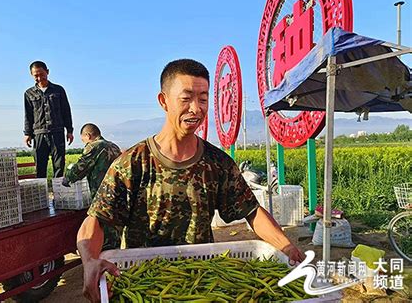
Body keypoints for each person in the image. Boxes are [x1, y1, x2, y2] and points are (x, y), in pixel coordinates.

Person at [76, 59, 305, 302]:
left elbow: (252, 211)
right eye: (186, 98)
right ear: (163, 101)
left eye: (203, 99)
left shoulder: (217, 163)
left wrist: (287, 248)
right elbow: (97, 219)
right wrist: (89, 260)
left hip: (202, 279)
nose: (196, 108)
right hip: (144, 281)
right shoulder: (133, 162)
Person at [62, 123, 122, 251]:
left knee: (104, 233)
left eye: (84, 140)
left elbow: (81, 167)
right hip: (118, 194)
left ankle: (105, 259)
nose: (84, 144)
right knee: (115, 232)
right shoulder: (114, 146)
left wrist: (68, 178)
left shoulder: (95, 146)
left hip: (103, 196)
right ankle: (115, 257)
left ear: (88, 135)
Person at [23, 61, 74, 178]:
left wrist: (69, 130)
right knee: (40, 165)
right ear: (32, 75)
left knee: (59, 165)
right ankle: (42, 194)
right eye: (36, 75)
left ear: (47, 72)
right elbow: (28, 115)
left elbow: (66, 111)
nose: (39, 77)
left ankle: (58, 194)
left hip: (57, 131)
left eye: (42, 74)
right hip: (39, 133)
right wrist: (27, 134)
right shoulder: (29, 93)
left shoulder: (58, 90)